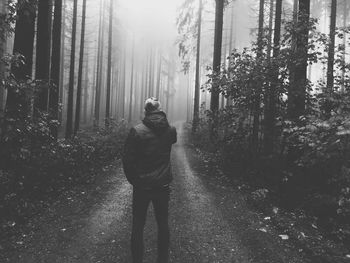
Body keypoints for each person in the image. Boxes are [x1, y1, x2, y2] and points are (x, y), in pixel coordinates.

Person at [122, 97, 177, 263]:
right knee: (163, 224)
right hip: (162, 185)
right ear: (159, 110)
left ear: (145, 110)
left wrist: (135, 181)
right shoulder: (171, 130)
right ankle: (163, 260)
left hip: (142, 187)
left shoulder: (136, 131)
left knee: (138, 225)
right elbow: (171, 141)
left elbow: (127, 161)